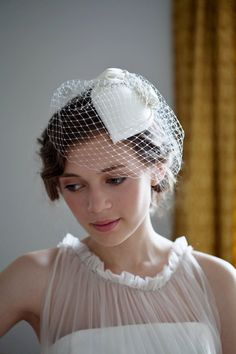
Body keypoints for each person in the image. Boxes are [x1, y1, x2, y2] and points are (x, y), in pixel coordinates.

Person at [0, 68, 235, 354]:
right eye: (74, 186)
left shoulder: (218, 282)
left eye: (115, 180)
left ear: (157, 169)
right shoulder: (34, 277)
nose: (96, 206)